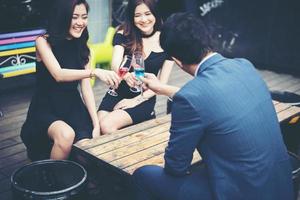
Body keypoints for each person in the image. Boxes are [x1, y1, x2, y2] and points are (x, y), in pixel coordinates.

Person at [133, 13, 294, 200]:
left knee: (143, 174)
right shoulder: (244, 66)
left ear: (176, 60)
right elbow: (215, 97)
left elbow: (176, 166)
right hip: (280, 187)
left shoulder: (191, 98)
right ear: (206, 39)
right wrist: (163, 89)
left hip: (241, 192)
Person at [20, 0, 120, 161]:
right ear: (63, 17)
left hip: (73, 106)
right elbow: (58, 74)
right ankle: (53, 179)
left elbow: (86, 90)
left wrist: (95, 124)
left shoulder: (84, 47)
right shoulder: (43, 41)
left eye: (84, 17)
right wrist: (94, 72)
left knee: (88, 148)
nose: (81, 22)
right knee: (66, 135)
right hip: (46, 106)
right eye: (75, 17)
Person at [98, 0, 174, 134]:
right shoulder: (124, 32)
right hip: (117, 91)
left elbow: (161, 84)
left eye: (147, 14)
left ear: (155, 14)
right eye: (137, 15)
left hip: (144, 96)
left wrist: (135, 101)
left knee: (107, 126)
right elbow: (115, 64)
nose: (143, 20)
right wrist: (125, 75)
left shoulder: (167, 40)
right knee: (98, 127)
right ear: (132, 17)